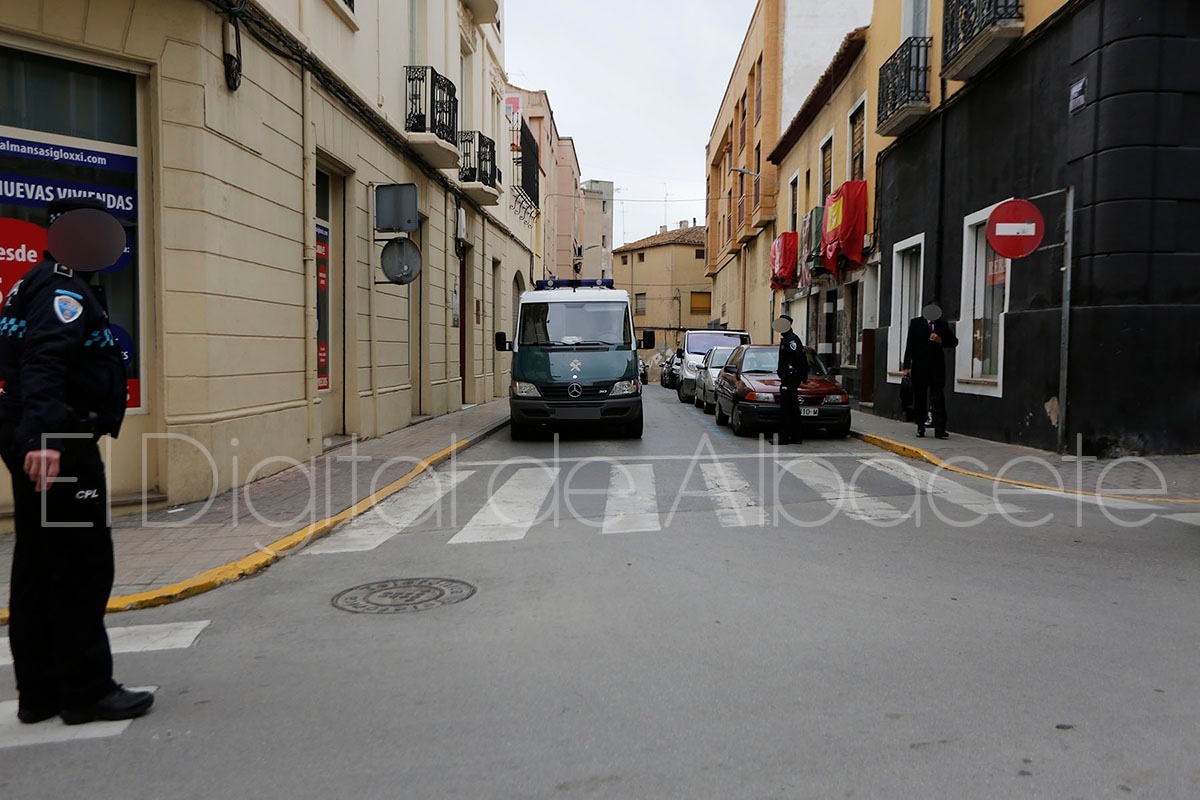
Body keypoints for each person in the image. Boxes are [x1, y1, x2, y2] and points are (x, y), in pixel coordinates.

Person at [0, 197, 153, 725]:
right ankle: (85, 692)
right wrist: (46, 437)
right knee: (80, 566)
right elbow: (45, 361)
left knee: (40, 566)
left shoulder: (32, 282)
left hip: (37, 434)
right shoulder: (64, 290)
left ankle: (40, 694)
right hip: (59, 441)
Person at [902, 302, 958, 439]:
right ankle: (920, 427)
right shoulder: (916, 323)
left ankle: (940, 430)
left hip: (937, 368)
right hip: (920, 367)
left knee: (938, 398)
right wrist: (906, 366)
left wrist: (940, 340)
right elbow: (910, 344)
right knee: (920, 398)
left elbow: (954, 342)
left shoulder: (942, 325)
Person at [773, 314, 808, 445]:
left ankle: (784, 437)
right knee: (792, 408)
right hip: (787, 377)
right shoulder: (786, 339)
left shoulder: (791, 340)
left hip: (791, 378)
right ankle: (795, 436)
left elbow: (800, 358)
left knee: (786, 408)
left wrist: (803, 376)